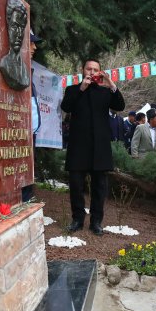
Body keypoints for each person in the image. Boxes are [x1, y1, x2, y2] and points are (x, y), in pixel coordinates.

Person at [61, 59, 124, 235]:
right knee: (76, 185)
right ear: (83, 70)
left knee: (99, 187)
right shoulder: (73, 89)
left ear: (100, 72)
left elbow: (120, 105)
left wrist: (111, 84)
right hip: (78, 146)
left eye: (95, 69)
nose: (92, 71)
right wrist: (82, 88)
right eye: (89, 68)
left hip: (100, 147)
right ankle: (77, 219)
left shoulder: (105, 92)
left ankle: (96, 222)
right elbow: (66, 106)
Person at [21, 30, 42, 203]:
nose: (35, 47)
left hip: (30, 135)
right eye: (31, 42)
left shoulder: (28, 72)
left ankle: (25, 204)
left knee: (28, 176)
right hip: (18, 135)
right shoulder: (16, 70)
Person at [0, 0, 30, 90]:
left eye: (22, 27)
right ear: (8, 26)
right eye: (15, 26)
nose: (19, 34)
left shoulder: (25, 71)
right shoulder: (4, 64)